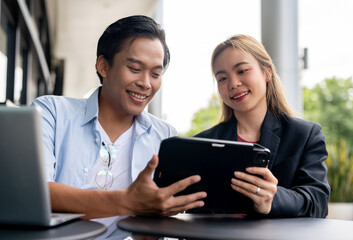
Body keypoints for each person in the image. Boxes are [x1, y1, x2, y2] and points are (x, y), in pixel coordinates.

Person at [33, 15, 206, 239]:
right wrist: (129, 202)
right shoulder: (52, 112)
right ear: (103, 66)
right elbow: (37, 194)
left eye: (155, 74)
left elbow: (153, 228)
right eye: (135, 68)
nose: (146, 83)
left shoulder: (165, 136)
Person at [195, 34, 330, 218]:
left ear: (267, 72)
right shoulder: (202, 143)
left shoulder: (305, 135)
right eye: (222, 78)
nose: (233, 83)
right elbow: (194, 211)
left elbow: (317, 203)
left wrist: (273, 199)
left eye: (242, 71)